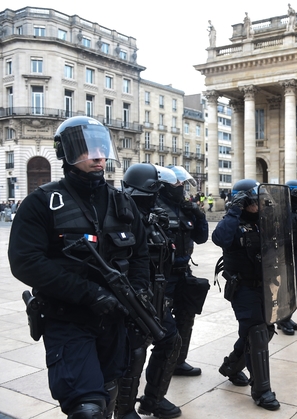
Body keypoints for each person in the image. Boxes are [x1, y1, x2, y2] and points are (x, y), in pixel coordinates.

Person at [8, 116, 151, 419]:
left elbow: (140, 255)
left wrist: (138, 291)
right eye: (87, 149)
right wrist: (90, 294)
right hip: (68, 318)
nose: (98, 155)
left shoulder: (122, 203)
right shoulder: (42, 202)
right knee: (86, 408)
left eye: (101, 147)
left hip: (115, 320)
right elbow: (25, 261)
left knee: (109, 389)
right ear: (67, 154)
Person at [116, 164, 182, 419]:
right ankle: (124, 409)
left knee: (171, 339)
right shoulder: (122, 217)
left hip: (155, 294)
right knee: (134, 351)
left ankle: (153, 399)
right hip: (132, 295)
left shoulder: (154, 217)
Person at [212, 179, 280, 410]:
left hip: (266, 285)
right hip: (243, 288)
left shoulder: (265, 221)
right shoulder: (233, 222)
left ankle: (231, 366)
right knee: (257, 332)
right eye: (253, 202)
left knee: (265, 330)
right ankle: (262, 391)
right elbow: (219, 239)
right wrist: (234, 210)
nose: (257, 206)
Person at [158, 165, 209, 377]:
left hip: (183, 271)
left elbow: (201, 237)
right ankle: (159, 365)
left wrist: (199, 215)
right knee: (160, 322)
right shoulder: (156, 207)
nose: (182, 187)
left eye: (182, 184)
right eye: (178, 183)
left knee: (186, 317)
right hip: (163, 274)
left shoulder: (184, 208)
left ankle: (179, 361)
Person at [276, 180, 297, 335]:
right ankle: (282, 319)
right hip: (283, 258)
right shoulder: (280, 212)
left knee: (296, 287)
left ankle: (286, 316)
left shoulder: (293, 212)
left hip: (293, 256)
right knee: (286, 289)